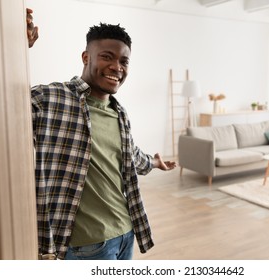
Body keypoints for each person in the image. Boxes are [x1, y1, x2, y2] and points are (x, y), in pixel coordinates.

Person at [26, 8, 176, 260]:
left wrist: (155, 162)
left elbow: (129, 155)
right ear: (86, 57)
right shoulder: (49, 99)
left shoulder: (119, 113)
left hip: (126, 233)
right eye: (107, 57)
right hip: (86, 245)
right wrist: (14, 50)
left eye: (124, 61)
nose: (116, 67)